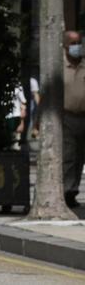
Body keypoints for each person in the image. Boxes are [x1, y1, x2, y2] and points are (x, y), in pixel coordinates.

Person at [63, 30, 85, 208]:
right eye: (74, 43)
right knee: (69, 155)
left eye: (79, 42)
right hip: (66, 117)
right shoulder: (60, 67)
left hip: (83, 117)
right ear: (65, 45)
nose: (77, 47)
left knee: (80, 157)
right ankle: (66, 191)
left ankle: (74, 189)